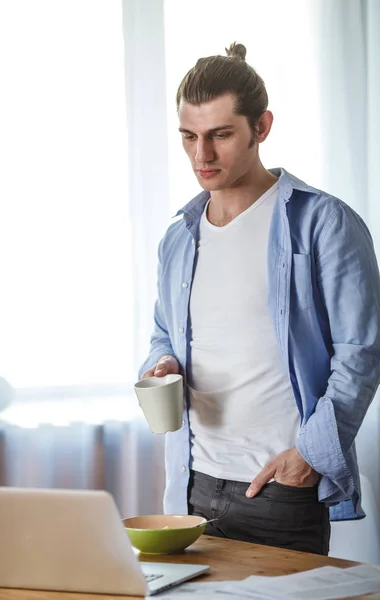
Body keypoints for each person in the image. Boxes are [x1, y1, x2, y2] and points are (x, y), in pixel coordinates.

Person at [139, 42, 380, 556]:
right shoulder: (178, 237)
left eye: (220, 135)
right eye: (189, 137)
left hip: (280, 488)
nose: (201, 155)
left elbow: (361, 351)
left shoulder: (324, 224)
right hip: (191, 484)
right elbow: (164, 331)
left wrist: (309, 458)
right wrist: (161, 362)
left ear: (261, 127)